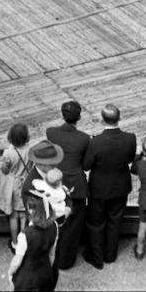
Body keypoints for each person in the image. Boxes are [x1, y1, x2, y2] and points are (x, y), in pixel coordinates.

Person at [82, 104, 138, 270]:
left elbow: (86, 166)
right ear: (119, 118)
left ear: (102, 119)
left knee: (96, 223)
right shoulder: (130, 138)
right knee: (115, 221)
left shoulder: (96, 142)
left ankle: (96, 257)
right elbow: (130, 159)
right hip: (120, 186)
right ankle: (110, 255)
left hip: (99, 188)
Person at [45, 99, 89, 270]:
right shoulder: (84, 139)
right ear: (79, 117)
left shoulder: (51, 133)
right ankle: (67, 260)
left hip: (56, 182)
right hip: (76, 184)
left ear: (62, 115)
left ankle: (53, 257)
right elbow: (85, 164)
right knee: (74, 225)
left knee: (54, 220)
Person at [9, 187, 59, 291]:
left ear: (31, 210)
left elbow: (17, 261)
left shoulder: (25, 235)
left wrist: (10, 273)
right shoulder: (54, 225)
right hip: (45, 276)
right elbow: (51, 254)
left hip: (26, 282)